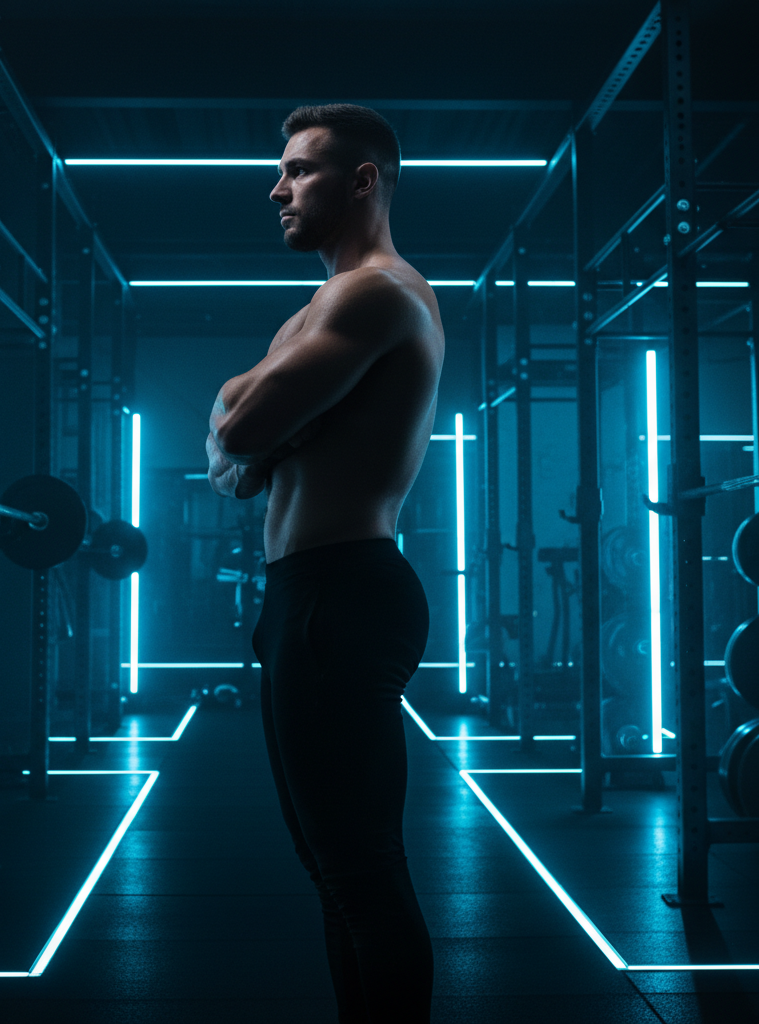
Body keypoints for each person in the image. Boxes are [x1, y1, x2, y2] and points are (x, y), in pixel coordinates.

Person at [205, 103, 445, 1023]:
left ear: (363, 181)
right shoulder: (324, 304)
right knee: (333, 869)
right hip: (310, 594)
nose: (277, 187)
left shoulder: (373, 294)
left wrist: (250, 417)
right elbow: (232, 465)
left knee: (358, 872)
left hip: (339, 594)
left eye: (299, 169)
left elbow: (238, 428)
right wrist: (252, 423)